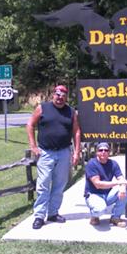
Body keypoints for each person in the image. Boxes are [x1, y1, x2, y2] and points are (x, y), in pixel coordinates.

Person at [26, 84, 81, 229]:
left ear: (66, 97)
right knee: (43, 184)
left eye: (63, 96)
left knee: (59, 184)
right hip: (46, 152)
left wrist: (76, 152)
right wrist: (33, 146)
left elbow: (76, 132)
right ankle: (39, 216)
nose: (60, 98)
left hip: (64, 152)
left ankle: (53, 213)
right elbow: (30, 125)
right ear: (53, 95)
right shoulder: (42, 108)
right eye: (57, 95)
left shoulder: (71, 112)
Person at [84, 142, 127, 227]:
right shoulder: (92, 164)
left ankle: (115, 218)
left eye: (106, 150)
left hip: (107, 195)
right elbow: (97, 184)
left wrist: (123, 187)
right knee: (100, 209)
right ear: (97, 152)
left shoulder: (113, 164)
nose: (103, 152)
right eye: (100, 150)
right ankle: (94, 216)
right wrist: (118, 183)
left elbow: (122, 179)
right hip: (93, 195)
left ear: (109, 152)